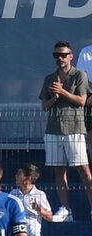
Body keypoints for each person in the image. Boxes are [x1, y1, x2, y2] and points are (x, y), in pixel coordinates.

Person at [39, 40, 92, 222]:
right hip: (53, 129)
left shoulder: (79, 75)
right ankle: (65, 209)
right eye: (56, 55)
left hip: (74, 128)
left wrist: (63, 92)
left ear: (71, 56)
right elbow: (44, 106)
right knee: (59, 170)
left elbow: (82, 101)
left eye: (63, 55)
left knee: (83, 169)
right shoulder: (49, 78)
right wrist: (54, 98)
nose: (60, 58)